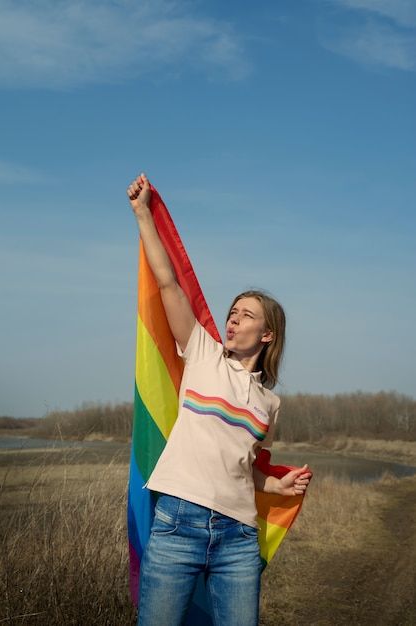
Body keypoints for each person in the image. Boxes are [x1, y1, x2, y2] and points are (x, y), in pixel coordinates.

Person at [127, 173, 311, 626]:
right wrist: (143, 215)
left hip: (238, 539)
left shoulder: (270, 404)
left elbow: (240, 466)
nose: (233, 318)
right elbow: (169, 284)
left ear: (267, 335)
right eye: (232, 311)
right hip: (177, 525)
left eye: (246, 314)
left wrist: (277, 486)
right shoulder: (203, 353)